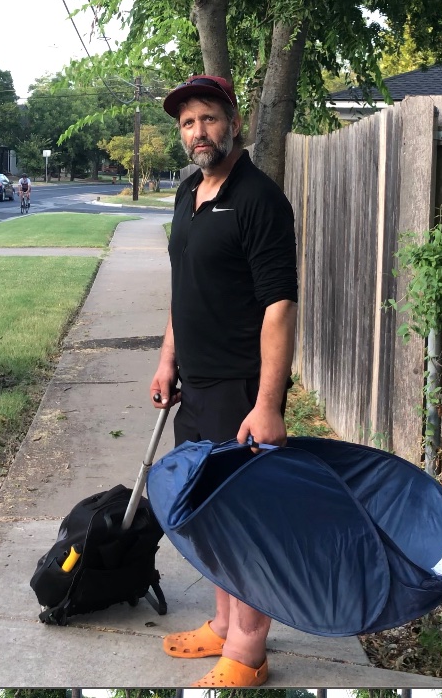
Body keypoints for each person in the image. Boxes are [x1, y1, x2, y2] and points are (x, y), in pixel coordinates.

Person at [150, 74, 298, 687]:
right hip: (197, 384)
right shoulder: (190, 194)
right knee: (207, 514)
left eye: (208, 118)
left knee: (248, 522)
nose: (198, 132)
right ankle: (220, 623)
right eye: (188, 123)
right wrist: (167, 358)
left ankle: (249, 650)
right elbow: (184, 287)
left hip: (241, 388)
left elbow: (279, 306)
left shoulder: (260, 200)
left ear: (232, 122)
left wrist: (268, 403)